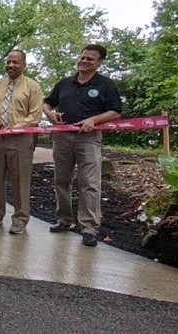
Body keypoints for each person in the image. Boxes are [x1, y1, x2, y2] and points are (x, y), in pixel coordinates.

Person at [43, 44, 122, 247]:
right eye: (83, 57)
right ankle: (64, 219)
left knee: (89, 183)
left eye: (90, 59)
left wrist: (94, 120)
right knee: (61, 180)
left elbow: (115, 111)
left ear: (99, 62)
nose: (84, 61)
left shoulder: (106, 85)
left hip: (88, 138)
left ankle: (88, 228)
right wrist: (49, 114)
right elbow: (47, 102)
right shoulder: (65, 83)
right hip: (62, 137)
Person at [0, 50, 43, 234]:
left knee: (20, 179)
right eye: (8, 62)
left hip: (20, 140)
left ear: (24, 64)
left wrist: (17, 126)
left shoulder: (32, 87)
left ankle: (20, 218)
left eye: (15, 62)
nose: (10, 65)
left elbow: (35, 114)